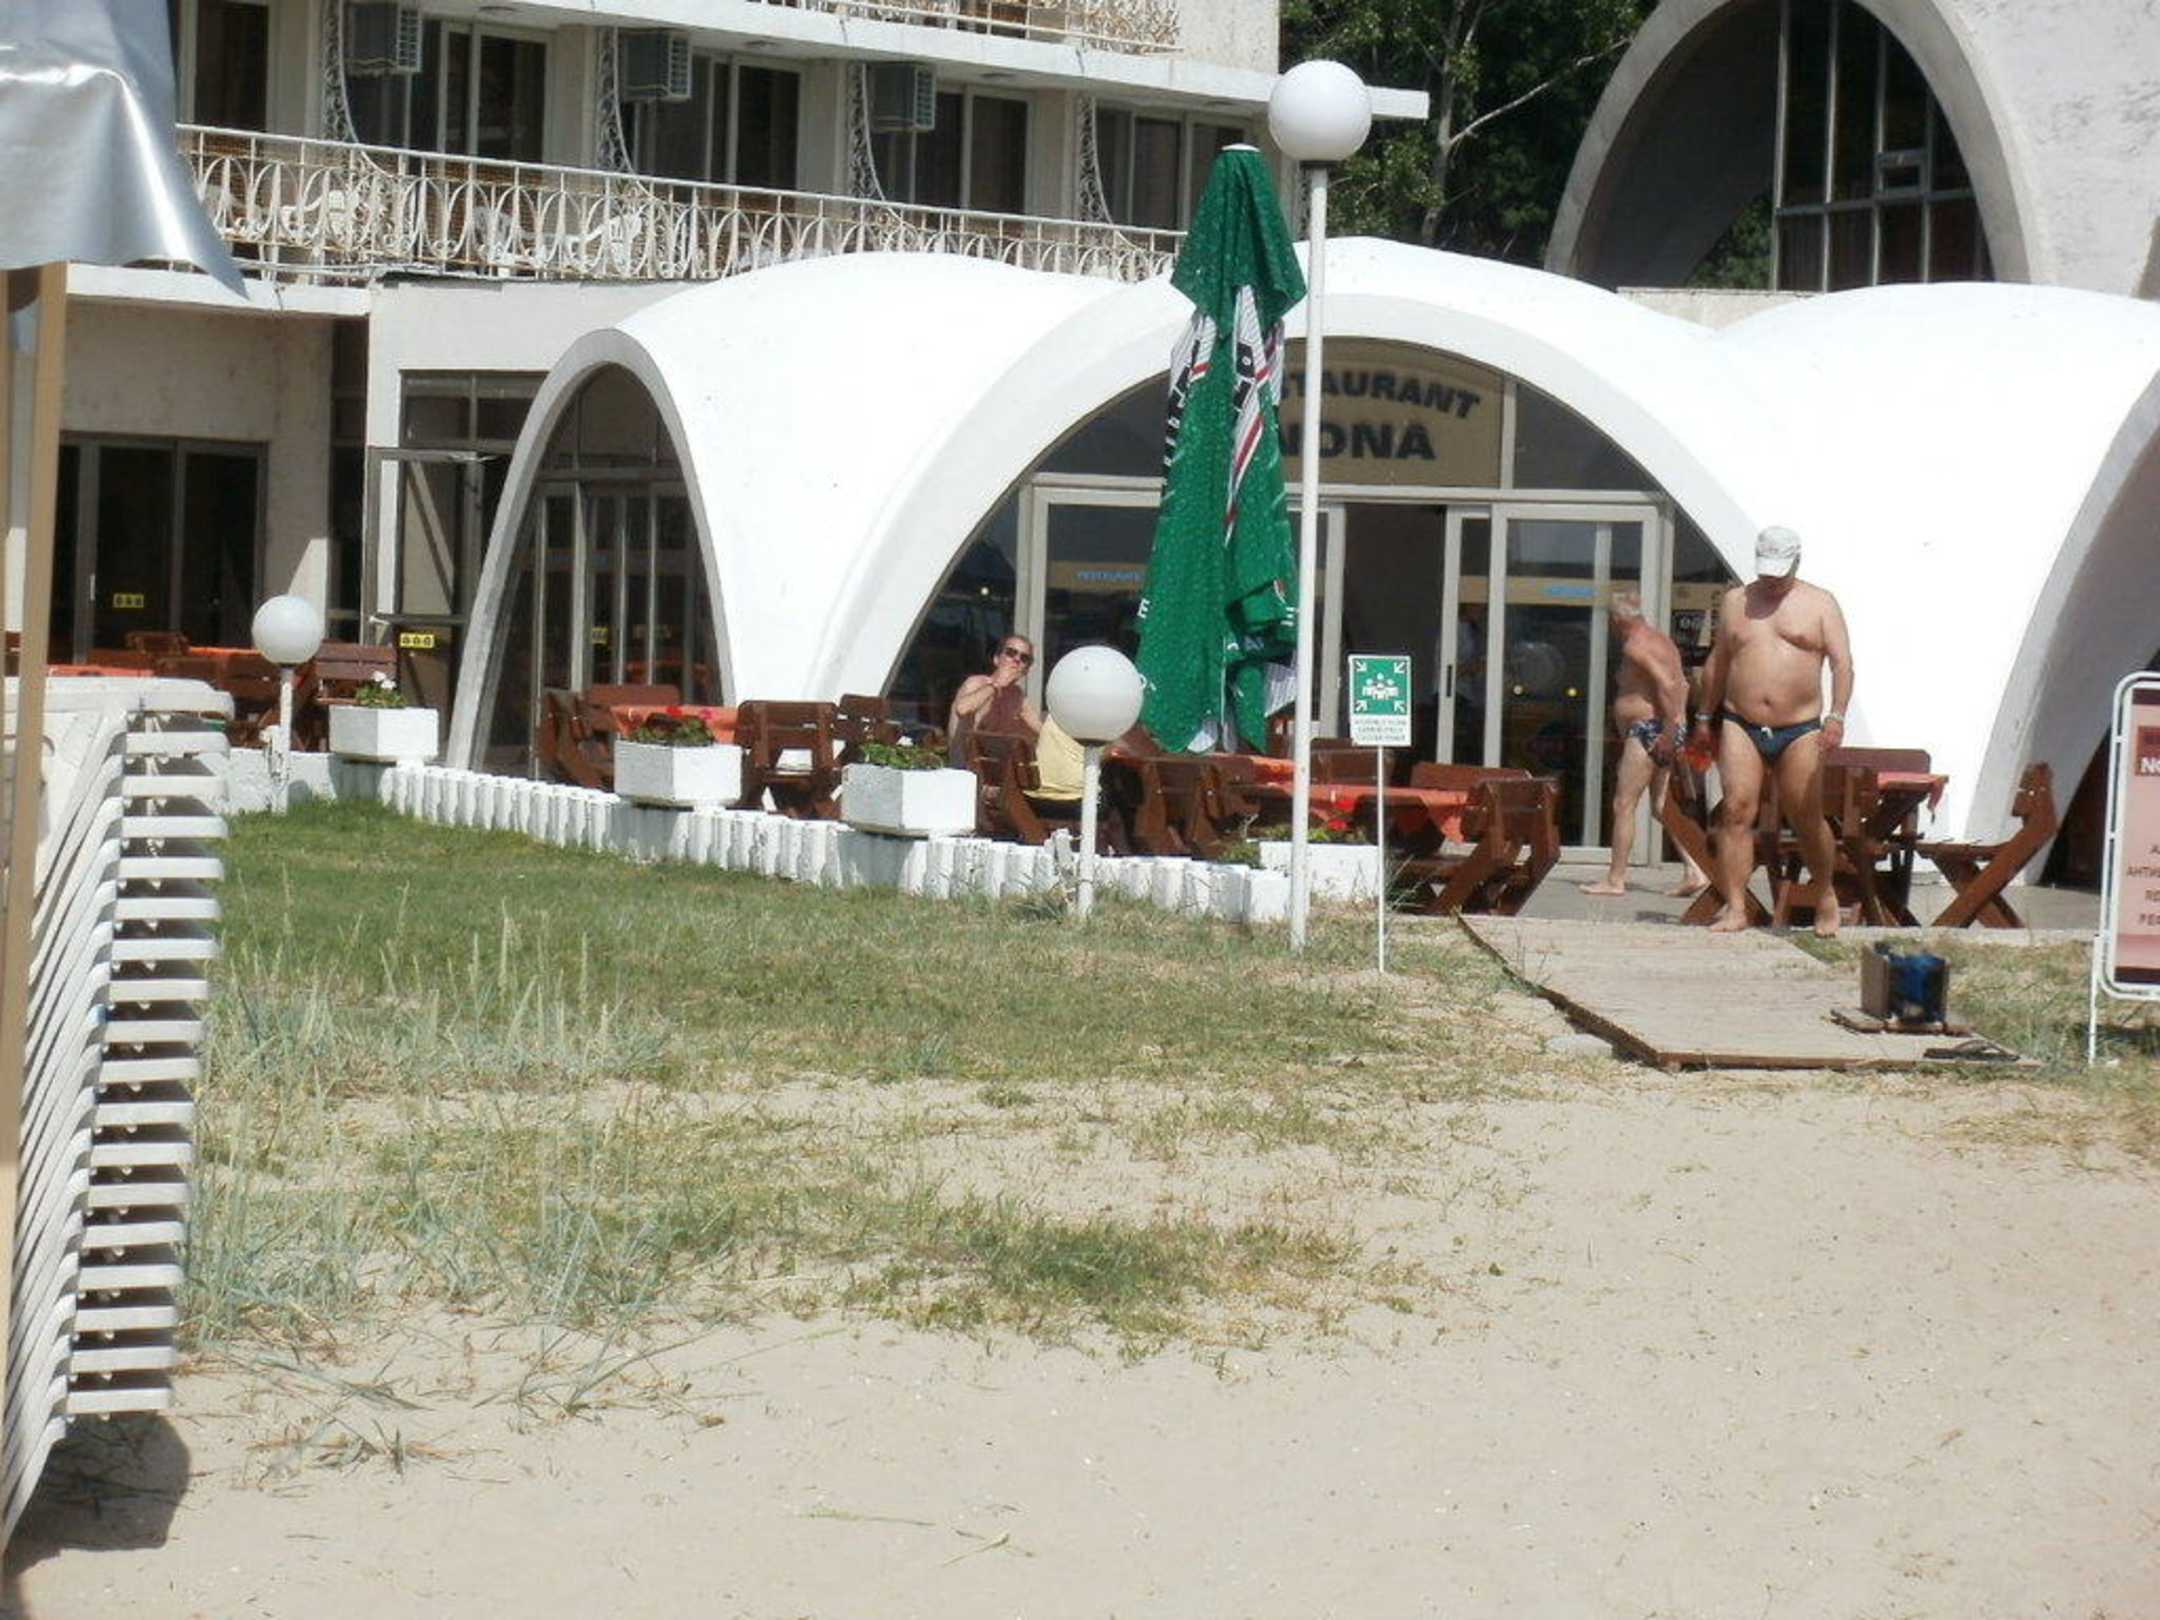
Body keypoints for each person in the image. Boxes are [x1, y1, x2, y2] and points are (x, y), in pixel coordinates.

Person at [1689, 525, 1855, 936]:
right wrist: (1704, 717)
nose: (1772, 580)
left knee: (1805, 814)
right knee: (1735, 810)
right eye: (1765, 571)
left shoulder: (1820, 603)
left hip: (1799, 725)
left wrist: (1837, 715)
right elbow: (1719, 661)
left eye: (1779, 572)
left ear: (1796, 562)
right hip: (1740, 720)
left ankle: (1825, 894)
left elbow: (1842, 663)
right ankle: (1735, 906)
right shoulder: (1736, 602)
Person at [1579, 591, 1707, 897]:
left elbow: (1669, 684)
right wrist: (1677, 726)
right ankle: (1695, 869)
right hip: (1661, 729)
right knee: (1660, 806)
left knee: (1623, 804)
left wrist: (1669, 731)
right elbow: (1683, 683)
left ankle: (1615, 879)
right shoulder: (1662, 640)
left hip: (1649, 730)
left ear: (1617, 619)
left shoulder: (1636, 645)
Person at [946, 634, 1041, 766]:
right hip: (963, 769)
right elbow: (962, 709)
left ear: (1026, 670)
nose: (1017, 659)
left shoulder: (1017, 696)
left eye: (1024, 658)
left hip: (993, 770)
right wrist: (996, 684)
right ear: (996, 659)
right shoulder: (976, 683)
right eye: (1011, 653)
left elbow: (1040, 730)